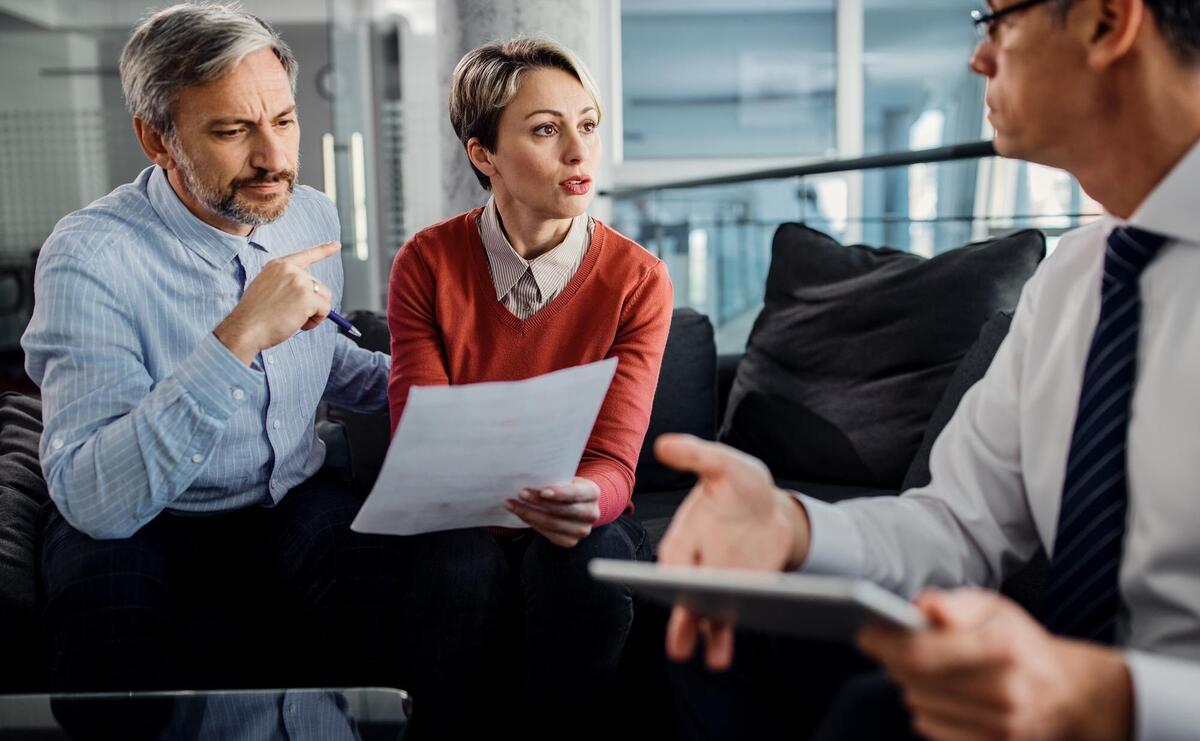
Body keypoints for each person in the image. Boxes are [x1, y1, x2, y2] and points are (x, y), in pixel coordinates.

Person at [655, 0, 1200, 738]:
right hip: (1048, 701)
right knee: (758, 658)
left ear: (1107, 22)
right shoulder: (1073, 280)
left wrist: (1121, 702)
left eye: (996, 19)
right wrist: (790, 526)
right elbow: (957, 526)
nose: (978, 57)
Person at [21, 4, 400, 693]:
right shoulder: (89, 255)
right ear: (156, 139)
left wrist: (436, 387)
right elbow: (97, 497)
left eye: (284, 122)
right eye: (232, 130)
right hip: (144, 514)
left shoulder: (307, 213)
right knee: (108, 660)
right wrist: (237, 337)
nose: (274, 159)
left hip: (290, 495)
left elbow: (320, 359)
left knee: (392, 607)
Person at [387, 37, 673, 739]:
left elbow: (614, 460)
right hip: (460, 515)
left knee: (586, 559)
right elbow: (418, 440)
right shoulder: (425, 262)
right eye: (547, 130)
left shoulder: (638, 279)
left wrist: (586, 497)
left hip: (579, 510)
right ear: (483, 153)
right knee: (456, 568)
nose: (579, 153)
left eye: (588, 124)